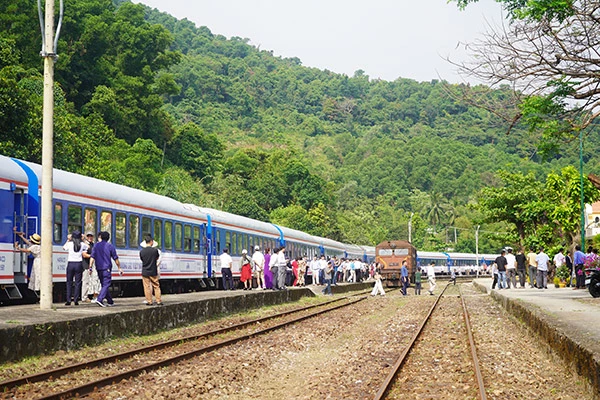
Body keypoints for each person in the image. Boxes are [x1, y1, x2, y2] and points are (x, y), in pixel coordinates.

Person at [90, 231, 123, 307]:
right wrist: (119, 268)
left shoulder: (96, 246)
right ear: (108, 238)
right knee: (106, 284)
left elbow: (92, 257)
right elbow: (115, 258)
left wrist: (90, 267)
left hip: (98, 268)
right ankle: (100, 299)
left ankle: (110, 301)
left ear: (100, 237)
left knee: (104, 284)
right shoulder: (110, 246)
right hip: (106, 268)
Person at [63, 231, 89, 305]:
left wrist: (68, 240)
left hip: (70, 263)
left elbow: (64, 248)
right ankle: (76, 300)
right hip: (79, 264)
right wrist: (83, 239)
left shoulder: (70, 244)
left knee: (69, 282)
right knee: (78, 283)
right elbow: (88, 246)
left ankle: (68, 300)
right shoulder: (82, 244)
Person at [139, 234, 162, 306]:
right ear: (151, 242)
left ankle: (149, 301)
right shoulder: (155, 251)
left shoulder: (142, 252)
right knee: (156, 286)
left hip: (145, 271)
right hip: (153, 270)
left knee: (147, 287)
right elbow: (157, 258)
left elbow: (142, 259)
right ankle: (158, 301)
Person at [81, 233, 100, 302]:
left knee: (92, 281)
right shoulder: (84, 245)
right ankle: (84, 297)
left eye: (91, 236)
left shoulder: (93, 245)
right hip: (86, 265)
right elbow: (84, 255)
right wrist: (93, 256)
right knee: (85, 281)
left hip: (92, 265)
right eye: (88, 236)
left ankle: (90, 296)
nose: (90, 237)